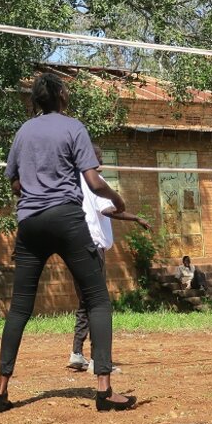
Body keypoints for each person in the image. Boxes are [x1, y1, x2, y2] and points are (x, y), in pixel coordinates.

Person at [0, 72, 135, 413]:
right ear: (59, 94)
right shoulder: (73, 127)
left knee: (20, 308)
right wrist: (118, 200)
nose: (68, 92)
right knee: (97, 299)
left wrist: (35, 189)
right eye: (66, 88)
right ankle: (104, 390)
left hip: (30, 223)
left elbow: (14, 184)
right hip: (67, 220)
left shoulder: (24, 131)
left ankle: (0, 392)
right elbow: (92, 180)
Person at [67, 144, 151, 372]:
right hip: (93, 248)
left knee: (85, 300)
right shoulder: (96, 183)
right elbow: (107, 210)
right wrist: (135, 218)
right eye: (98, 158)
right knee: (97, 303)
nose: (101, 163)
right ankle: (98, 360)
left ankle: (77, 353)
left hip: (74, 247)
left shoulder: (72, 181)